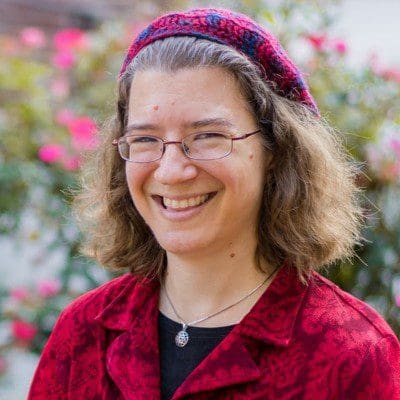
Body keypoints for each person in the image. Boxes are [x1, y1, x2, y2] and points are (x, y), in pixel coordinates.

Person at [28, 7, 400, 400]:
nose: (171, 171)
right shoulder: (84, 334)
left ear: (276, 148)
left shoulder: (353, 355)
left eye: (207, 136)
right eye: (145, 140)